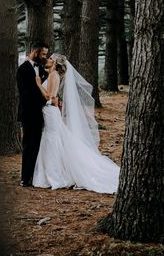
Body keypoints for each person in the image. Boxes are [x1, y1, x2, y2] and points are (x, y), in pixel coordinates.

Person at [33, 54, 120, 193]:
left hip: (50, 111)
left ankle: (55, 175)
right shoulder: (54, 75)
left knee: (52, 140)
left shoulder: (53, 75)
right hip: (51, 111)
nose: (47, 60)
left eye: (50, 59)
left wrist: (38, 84)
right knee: (54, 139)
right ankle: (54, 172)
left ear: (55, 63)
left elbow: (49, 96)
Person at [16, 41, 57, 187]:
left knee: (38, 144)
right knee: (29, 145)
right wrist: (45, 99)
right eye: (43, 54)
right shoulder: (23, 69)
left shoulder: (40, 68)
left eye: (46, 54)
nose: (45, 57)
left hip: (41, 114)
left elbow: (48, 87)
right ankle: (25, 178)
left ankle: (36, 175)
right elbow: (25, 94)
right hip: (28, 113)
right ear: (35, 52)